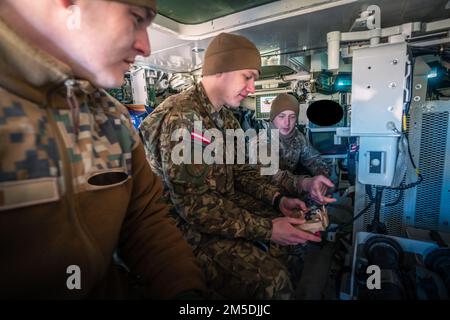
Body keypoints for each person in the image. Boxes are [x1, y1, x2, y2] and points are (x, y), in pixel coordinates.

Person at [0, 0, 205, 299]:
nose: (146, 47)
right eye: (136, 18)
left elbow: (143, 218)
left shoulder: (111, 115)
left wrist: (185, 292)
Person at [140, 32, 321, 299]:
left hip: (221, 206)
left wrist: (278, 199)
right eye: (247, 76)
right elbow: (195, 209)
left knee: (293, 232)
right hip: (183, 228)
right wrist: (268, 229)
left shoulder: (225, 119)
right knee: (274, 282)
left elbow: (241, 172)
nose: (251, 88)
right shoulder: (184, 118)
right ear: (220, 69)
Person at [268, 93, 336, 205]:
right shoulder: (261, 141)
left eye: (292, 117)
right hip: (268, 197)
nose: (287, 123)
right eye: (281, 116)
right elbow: (273, 177)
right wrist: (307, 184)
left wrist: (320, 182)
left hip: (292, 190)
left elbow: (315, 160)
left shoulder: (297, 137)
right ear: (272, 118)